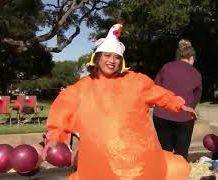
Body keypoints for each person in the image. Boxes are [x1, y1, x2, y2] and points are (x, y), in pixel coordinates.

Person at [42, 23, 196, 180]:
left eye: (116, 57)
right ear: (97, 58)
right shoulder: (79, 90)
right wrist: (54, 138)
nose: (112, 61)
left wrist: (179, 105)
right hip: (100, 165)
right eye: (107, 55)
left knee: (170, 168)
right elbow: (61, 115)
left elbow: (159, 94)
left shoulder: (135, 81)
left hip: (141, 165)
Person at [152, 39, 202, 160]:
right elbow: (197, 95)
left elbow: (155, 87)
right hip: (184, 116)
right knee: (181, 153)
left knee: (165, 151)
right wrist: (191, 108)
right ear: (191, 57)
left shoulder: (166, 67)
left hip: (162, 114)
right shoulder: (195, 73)